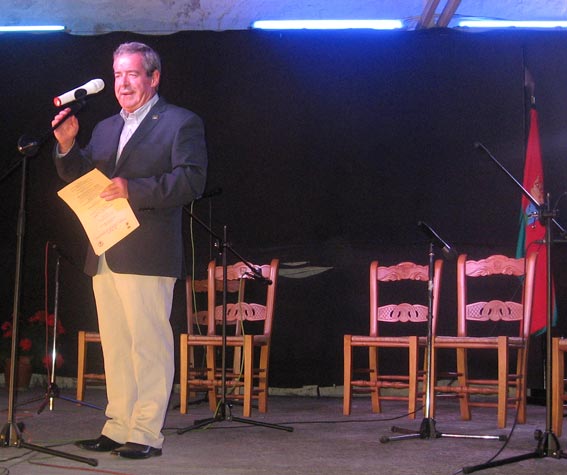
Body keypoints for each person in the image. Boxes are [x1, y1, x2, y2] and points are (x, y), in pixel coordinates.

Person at [52, 41, 207, 459]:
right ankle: (117, 425)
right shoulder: (104, 128)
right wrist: (67, 147)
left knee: (148, 344)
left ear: (153, 78)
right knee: (117, 344)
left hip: (148, 251)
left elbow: (192, 181)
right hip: (105, 248)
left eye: (132, 74)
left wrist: (133, 189)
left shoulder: (180, 123)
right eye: (118, 75)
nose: (123, 83)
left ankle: (145, 432)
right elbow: (83, 178)